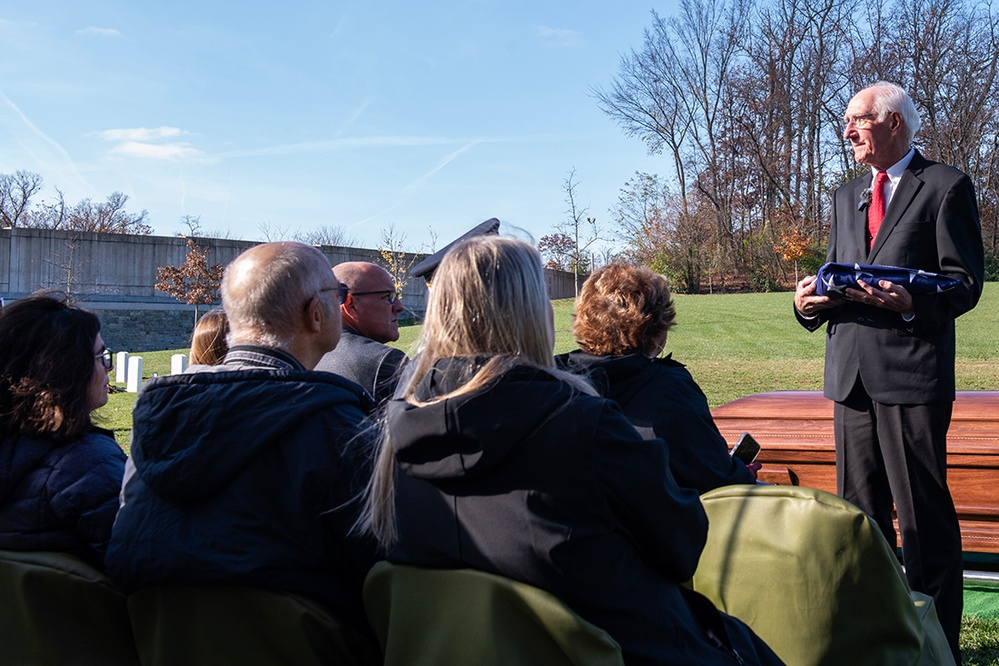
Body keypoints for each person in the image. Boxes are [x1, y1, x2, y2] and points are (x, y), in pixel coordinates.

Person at [362, 236, 783, 665]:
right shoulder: (583, 424)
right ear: (529, 312)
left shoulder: (392, 437)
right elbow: (682, 545)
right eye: (543, 295)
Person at [105, 242, 379, 645]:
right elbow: (379, 568)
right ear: (315, 314)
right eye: (336, 296)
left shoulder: (158, 421)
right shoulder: (336, 426)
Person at [794, 81, 984, 659]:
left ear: (893, 122)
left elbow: (965, 284)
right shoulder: (845, 194)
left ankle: (934, 648)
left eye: (857, 120)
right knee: (859, 517)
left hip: (910, 376)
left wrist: (912, 304)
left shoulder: (946, 186)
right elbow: (837, 273)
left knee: (921, 519)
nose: (846, 131)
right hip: (850, 377)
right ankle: (868, 639)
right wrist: (807, 303)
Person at [559, 261, 757, 493]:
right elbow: (716, 478)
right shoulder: (668, 390)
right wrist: (743, 473)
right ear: (658, 330)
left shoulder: (552, 383)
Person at [0, 293, 125, 569]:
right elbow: (139, 564)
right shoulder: (88, 466)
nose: (109, 367)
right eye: (101, 356)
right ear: (69, 369)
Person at [315, 262, 407, 405]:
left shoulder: (308, 356)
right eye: (389, 296)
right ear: (351, 304)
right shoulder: (384, 361)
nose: (400, 307)